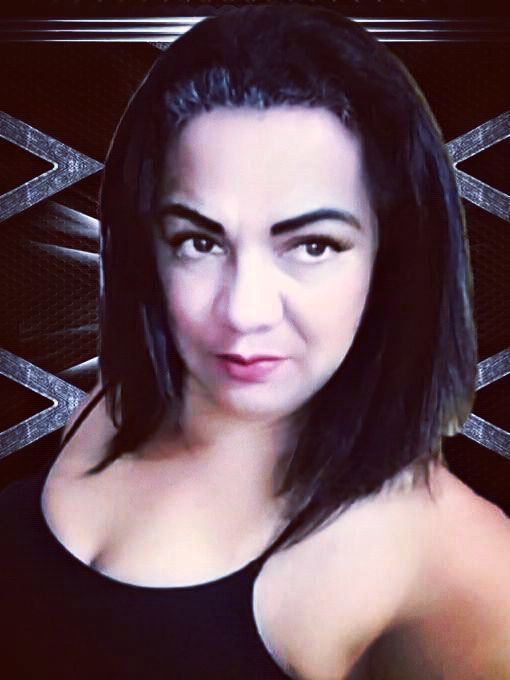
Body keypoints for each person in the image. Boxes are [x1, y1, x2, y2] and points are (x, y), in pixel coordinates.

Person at [1, 5, 510, 679]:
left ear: (394, 259)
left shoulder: (442, 549)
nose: (242, 312)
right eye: (200, 241)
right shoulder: (115, 402)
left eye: (313, 245)